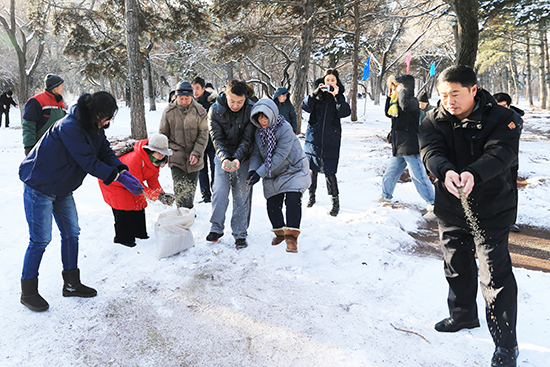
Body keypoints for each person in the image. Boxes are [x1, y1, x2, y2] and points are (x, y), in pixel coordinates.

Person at [419, 65, 522, 367]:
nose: (448, 100)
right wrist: (445, 171)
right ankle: (462, 316)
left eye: (455, 94)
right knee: (456, 265)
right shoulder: (433, 119)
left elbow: (502, 153)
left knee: (495, 276)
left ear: (473, 90)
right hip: (451, 207)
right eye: (443, 94)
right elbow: (430, 150)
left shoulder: (503, 118)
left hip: (491, 208)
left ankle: (506, 344)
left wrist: (474, 173)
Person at [18, 91, 143, 312]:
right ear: (95, 114)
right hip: (40, 185)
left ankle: (71, 284)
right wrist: (116, 177)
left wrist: (122, 168)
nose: (107, 123)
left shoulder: (94, 127)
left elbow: (104, 151)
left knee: (72, 232)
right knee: (40, 239)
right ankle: (28, 292)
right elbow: (89, 161)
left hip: (62, 187)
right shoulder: (70, 126)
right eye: (106, 118)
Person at [247, 98, 310, 253]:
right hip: (272, 172)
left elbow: (280, 156)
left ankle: (291, 238)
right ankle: (280, 233)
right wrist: (252, 171)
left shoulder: (285, 128)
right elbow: (256, 153)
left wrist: (260, 173)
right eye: (259, 117)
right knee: (272, 205)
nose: (262, 121)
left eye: (265, 117)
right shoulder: (259, 132)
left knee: (293, 199)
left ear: (272, 115)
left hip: (293, 169)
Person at [99, 134, 175, 247]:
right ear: (150, 150)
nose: (161, 156)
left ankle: (140, 234)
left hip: (131, 182)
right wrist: (157, 197)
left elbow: (152, 180)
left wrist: (161, 194)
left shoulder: (155, 161)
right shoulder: (136, 158)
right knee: (124, 207)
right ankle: (123, 239)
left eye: (163, 153)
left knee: (139, 204)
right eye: (159, 153)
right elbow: (138, 186)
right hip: (114, 182)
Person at [207, 79, 256, 249]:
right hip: (222, 156)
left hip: (244, 157)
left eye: (240, 102)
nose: (236, 105)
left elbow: (248, 138)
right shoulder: (214, 110)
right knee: (219, 192)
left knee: (242, 195)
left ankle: (240, 233)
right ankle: (216, 228)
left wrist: (237, 159)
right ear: (226, 95)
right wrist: (225, 158)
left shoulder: (251, 110)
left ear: (245, 99)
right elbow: (216, 138)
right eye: (232, 101)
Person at [379, 74, 436, 220]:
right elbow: (387, 112)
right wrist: (390, 95)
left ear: (406, 87)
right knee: (390, 174)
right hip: (399, 146)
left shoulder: (413, 102)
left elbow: (404, 105)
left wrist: (401, 90)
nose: (395, 90)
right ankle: (386, 196)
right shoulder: (396, 102)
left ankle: (434, 205)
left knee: (419, 177)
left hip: (411, 145)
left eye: (398, 86)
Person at [301, 68, 351, 217]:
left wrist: (337, 97)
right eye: (327, 80)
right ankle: (311, 196)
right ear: (323, 81)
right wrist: (315, 94)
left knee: (330, 171)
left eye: (333, 81)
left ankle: (335, 202)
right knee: (312, 169)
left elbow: (345, 112)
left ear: (336, 83)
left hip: (331, 138)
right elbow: (305, 107)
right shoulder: (316, 95)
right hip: (314, 137)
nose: (329, 83)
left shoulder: (339, 96)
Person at [159, 81, 209, 209]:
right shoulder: (169, 111)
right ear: (176, 96)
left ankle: (187, 213)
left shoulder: (200, 111)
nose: (184, 101)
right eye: (181, 98)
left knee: (190, 190)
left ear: (192, 96)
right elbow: (163, 135)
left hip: (194, 156)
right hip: (176, 156)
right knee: (180, 188)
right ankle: (182, 213)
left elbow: (203, 134)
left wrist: (196, 153)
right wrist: (163, 155)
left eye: (187, 98)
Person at [493, 92, 524, 234]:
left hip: (510, 161)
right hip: (492, 161)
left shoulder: (515, 119)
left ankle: (511, 221)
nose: (500, 109)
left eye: (503, 106)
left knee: (510, 190)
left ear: (509, 106)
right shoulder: (489, 116)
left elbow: (512, 136)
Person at [22, 74, 66, 155]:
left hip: (58, 147)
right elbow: (28, 125)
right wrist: (29, 146)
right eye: (61, 86)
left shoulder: (62, 103)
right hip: (41, 147)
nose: (63, 88)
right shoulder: (36, 101)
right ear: (54, 88)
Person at [192, 76, 217, 203]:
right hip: (199, 142)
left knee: (214, 167)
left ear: (203, 88)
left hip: (212, 141)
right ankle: (205, 195)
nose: (195, 91)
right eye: (193, 88)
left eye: (197, 88)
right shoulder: (192, 103)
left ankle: (216, 191)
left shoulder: (212, 101)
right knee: (201, 169)